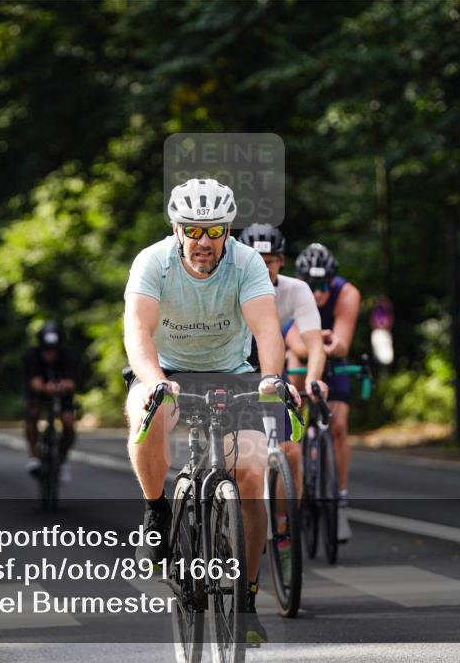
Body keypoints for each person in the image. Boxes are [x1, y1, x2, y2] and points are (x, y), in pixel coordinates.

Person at [124, 178, 300, 646]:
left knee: (252, 468)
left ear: (228, 230)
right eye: (193, 230)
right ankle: (157, 510)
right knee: (148, 411)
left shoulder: (245, 262)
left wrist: (272, 377)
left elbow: (266, 327)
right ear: (176, 229)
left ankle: (246, 597)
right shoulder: (152, 263)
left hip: (232, 371)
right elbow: (137, 331)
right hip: (168, 369)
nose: (204, 242)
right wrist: (154, 381)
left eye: (215, 231)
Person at [238, 223, 327, 500]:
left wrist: (313, 379)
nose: (263, 269)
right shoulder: (228, 287)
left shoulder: (296, 290)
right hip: (236, 366)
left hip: (272, 369)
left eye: (269, 262)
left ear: (281, 261)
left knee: (290, 452)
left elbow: (315, 344)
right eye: (255, 262)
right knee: (238, 458)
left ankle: (285, 525)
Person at [289, 244, 361, 542]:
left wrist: (330, 346)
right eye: (312, 286)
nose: (318, 294)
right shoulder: (289, 292)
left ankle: (340, 501)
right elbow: (296, 344)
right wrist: (315, 344)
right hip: (301, 357)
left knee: (339, 426)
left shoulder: (347, 293)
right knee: (293, 419)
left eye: (324, 286)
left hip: (332, 358)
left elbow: (343, 342)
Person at [23, 320, 78, 482]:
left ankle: (61, 460)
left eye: (53, 351)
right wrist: (44, 387)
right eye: (47, 351)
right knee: (31, 415)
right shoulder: (31, 355)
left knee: (68, 423)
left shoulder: (69, 356)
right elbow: (33, 381)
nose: (50, 354)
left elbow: (73, 382)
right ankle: (33, 457)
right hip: (37, 393)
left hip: (63, 393)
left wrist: (62, 386)